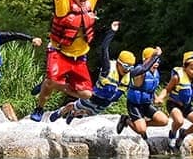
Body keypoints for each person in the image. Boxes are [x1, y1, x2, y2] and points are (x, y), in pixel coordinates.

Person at [30, 0, 120, 121]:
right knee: (53, 80)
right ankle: (39, 107)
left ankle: (51, 86)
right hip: (59, 52)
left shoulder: (90, 2)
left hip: (80, 57)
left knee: (87, 94)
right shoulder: (63, 4)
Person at [47, 21, 161, 152]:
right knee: (75, 106)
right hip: (93, 98)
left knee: (83, 115)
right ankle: (61, 111)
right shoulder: (108, 68)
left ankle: (73, 114)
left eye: (130, 68)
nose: (127, 70)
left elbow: (144, 68)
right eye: (125, 67)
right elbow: (104, 49)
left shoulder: (130, 73)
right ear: (118, 63)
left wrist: (155, 56)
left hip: (105, 104)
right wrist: (112, 31)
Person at [124, 46, 169, 143]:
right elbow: (143, 68)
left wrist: (156, 98)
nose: (156, 63)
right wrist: (153, 56)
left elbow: (150, 89)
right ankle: (126, 120)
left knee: (164, 121)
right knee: (141, 130)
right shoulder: (139, 72)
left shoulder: (156, 73)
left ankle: (142, 123)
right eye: (153, 61)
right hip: (134, 105)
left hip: (146, 104)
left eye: (157, 61)